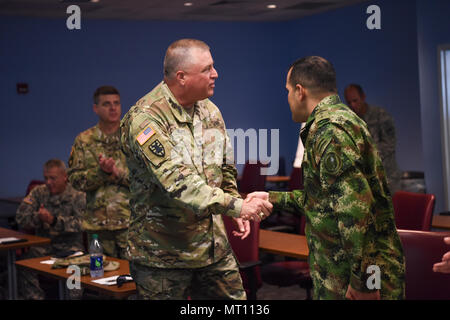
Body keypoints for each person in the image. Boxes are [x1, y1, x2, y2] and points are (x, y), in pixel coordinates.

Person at [120, 38, 272, 300]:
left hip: (213, 250)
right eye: (207, 69)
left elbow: (225, 168)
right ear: (182, 76)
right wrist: (236, 206)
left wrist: (232, 201)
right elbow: (178, 182)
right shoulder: (146, 119)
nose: (216, 74)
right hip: (164, 256)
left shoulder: (209, 110)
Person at [247, 56, 405, 300]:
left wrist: (366, 283)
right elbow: (324, 200)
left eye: (288, 90)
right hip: (338, 275)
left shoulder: (330, 130)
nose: (287, 97)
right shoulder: (333, 122)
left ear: (300, 91)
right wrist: (273, 198)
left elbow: (356, 212)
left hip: (353, 283)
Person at [68, 86, 131, 259]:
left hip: (130, 225)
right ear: (96, 108)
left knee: (133, 278)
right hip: (97, 227)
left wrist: (117, 173)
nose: (113, 108)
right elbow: (74, 180)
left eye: (116, 103)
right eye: (107, 104)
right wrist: (101, 173)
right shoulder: (84, 140)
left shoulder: (132, 138)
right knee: (98, 274)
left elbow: (147, 180)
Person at [16, 159, 85, 299]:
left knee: (77, 268)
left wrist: (53, 221)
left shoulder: (78, 195)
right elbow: (20, 217)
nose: (48, 182)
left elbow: (81, 224)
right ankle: (35, 297)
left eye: (53, 178)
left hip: (71, 249)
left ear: (64, 176)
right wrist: (39, 218)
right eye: (46, 178)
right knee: (24, 263)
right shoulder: (38, 192)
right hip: (44, 247)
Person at [344, 84, 402, 194]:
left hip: (387, 178)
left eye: (355, 100)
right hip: (364, 182)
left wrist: (365, 151)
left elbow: (389, 145)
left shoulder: (381, 115)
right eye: (349, 102)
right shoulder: (350, 121)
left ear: (363, 97)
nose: (352, 105)